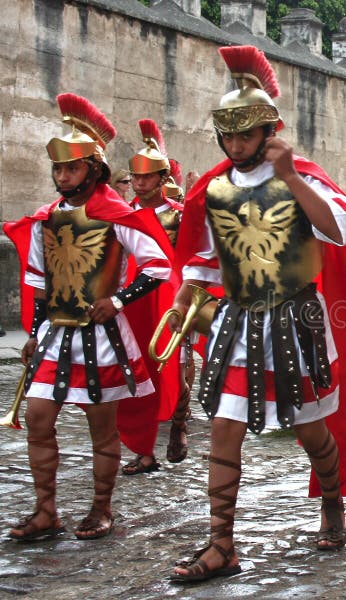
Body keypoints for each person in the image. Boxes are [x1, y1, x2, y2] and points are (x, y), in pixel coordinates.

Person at [170, 46, 346, 582]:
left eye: (245, 136)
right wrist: (187, 292)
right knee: (225, 427)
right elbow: (205, 255)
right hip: (237, 320)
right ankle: (221, 543)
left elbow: (340, 229)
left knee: (312, 431)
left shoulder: (306, 179)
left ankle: (332, 502)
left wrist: (291, 175)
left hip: (295, 322)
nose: (235, 146)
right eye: (227, 137)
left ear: (268, 131)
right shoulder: (213, 190)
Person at [3, 93, 172, 541]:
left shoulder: (115, 217)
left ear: (92, 168)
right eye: (58, 169)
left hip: (102, 338)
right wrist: (35, 332)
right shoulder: (46, 219)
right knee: (38, 420)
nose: (63, 176)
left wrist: (117, 301)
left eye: (71, 168)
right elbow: (39, 282)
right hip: (57, 336)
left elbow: (158, 266)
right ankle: (46, 511)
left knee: (102, 430)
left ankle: (102, 508)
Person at [124, 119, 190, 472]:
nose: (139, 183)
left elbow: (192, 259)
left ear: (163, 179)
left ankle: (178, 425)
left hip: (171, 302)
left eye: (146, 177)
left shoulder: (180, 216)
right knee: (137, 376)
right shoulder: (122, 216)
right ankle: (144, 448)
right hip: (133, 303)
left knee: (174, 373)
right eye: (135, 178)